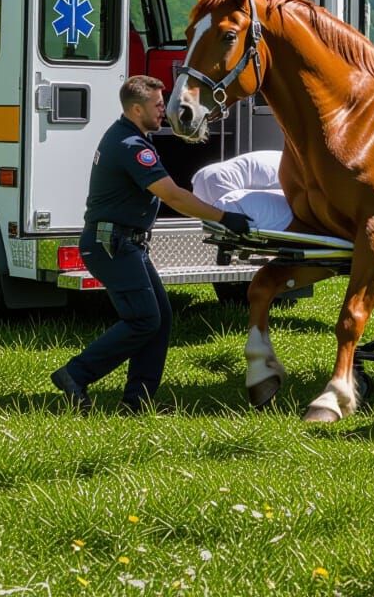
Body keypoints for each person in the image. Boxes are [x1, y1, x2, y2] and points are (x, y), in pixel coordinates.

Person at [50, 76, 251, 414]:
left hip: (124, 243)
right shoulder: (130, 146)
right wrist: (223, 216)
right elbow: (172, 195)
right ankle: (75, 374)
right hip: (111, 243)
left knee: (160, 318)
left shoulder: (131, 137)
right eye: (158, 105)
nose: (164, 110)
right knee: (144, 319)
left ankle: (137, 403)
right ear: (136, 108)